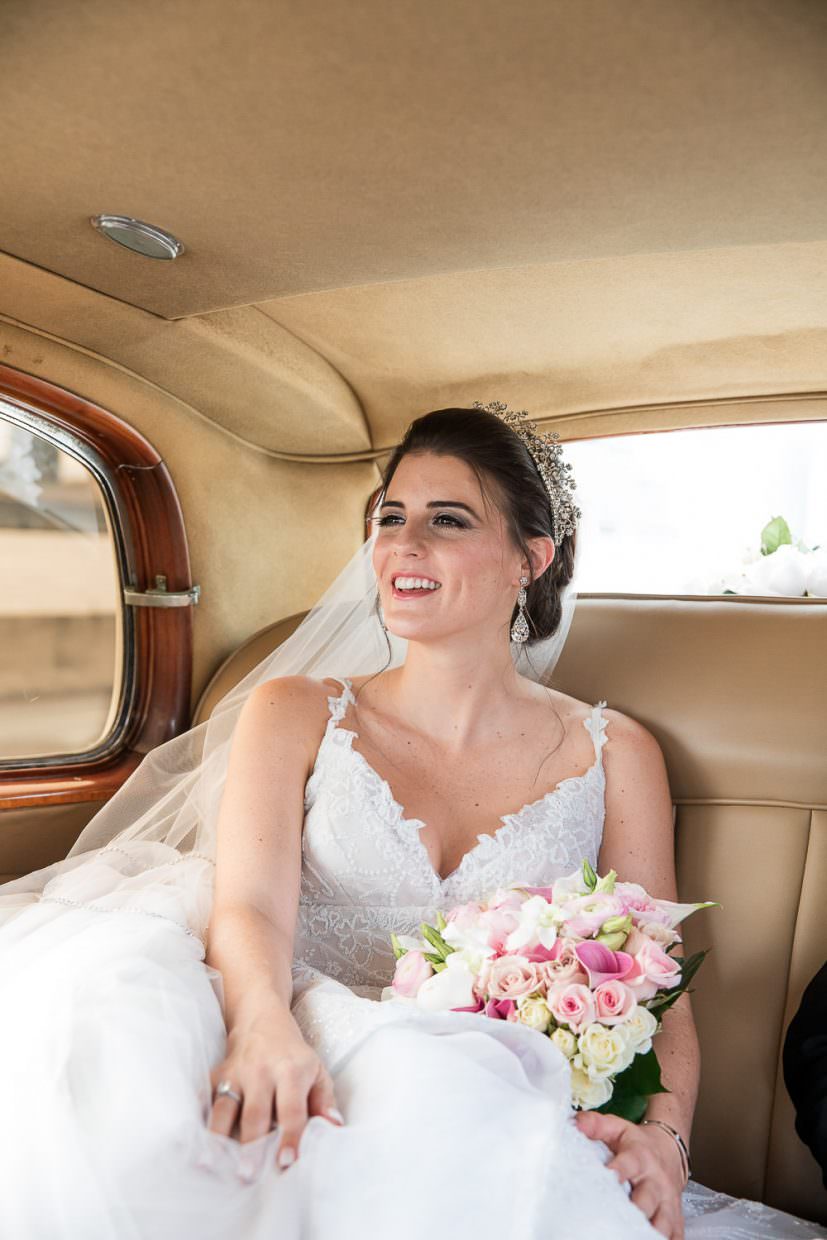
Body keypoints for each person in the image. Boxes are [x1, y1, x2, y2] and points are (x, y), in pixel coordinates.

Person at [0, 404, 822, 1240]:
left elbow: (660, 984)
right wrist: (263, 1030)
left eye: (447, 520)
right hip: (293, 1040)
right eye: (390, 518)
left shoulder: (616, 753)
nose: (402, 545)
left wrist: (665, 1144)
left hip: (489, 1100)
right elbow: (248, 908)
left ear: (528, 559)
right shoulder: (295, 711)